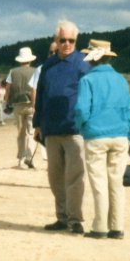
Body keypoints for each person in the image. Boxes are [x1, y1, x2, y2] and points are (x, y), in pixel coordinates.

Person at [74, 40, 130, 240]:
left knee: (99, 183)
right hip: (120, 135)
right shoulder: (121, 79)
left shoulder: (87, 80)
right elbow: (129, 109)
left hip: (95, 136)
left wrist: (82, 126)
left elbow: (81, 109)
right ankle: (117, 227)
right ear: (108, 58)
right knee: (116, 183)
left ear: (92, 58)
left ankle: (100, 227)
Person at [33, 20, 91, 234]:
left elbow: (89, 96)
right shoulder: (48, 66)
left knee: (75, 177)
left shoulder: (83, 64)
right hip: (51, 129)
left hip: (74, 129)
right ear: (56, 40)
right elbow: (41, 95)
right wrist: (37, 124)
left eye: (71, 40)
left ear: (76, 41)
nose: (67, 44)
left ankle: (75, 219)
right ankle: (62, 217)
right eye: (63, 40)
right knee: (55, 177)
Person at [3, 46, 37, 169]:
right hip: (31, 104)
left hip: (17, 105)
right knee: (31, 132)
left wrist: (6, 102)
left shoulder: (12, 71)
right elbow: (36, 88)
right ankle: (30, 157)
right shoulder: (36, 71)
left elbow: (8, 88)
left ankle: (20, 159)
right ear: (30, 59)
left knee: (21, 133)